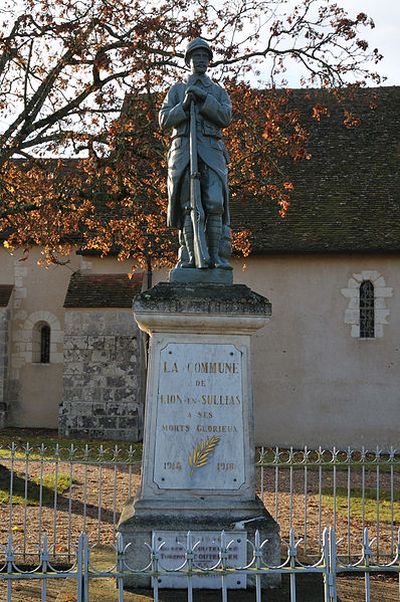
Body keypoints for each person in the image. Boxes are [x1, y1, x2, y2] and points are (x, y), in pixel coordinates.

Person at [159, 37, 232, 270]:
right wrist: (184, 105)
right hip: (184, 153)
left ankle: (216, 257)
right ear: (188, 61)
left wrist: (205, 99)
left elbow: (225, 117)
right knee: (188, 205)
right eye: (196, 56)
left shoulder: (218, 92)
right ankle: (191, 257)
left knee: (215, 202)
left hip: (211, 152)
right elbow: (163, 119)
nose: (201, 60)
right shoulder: (177, 90)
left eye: (205, 57)